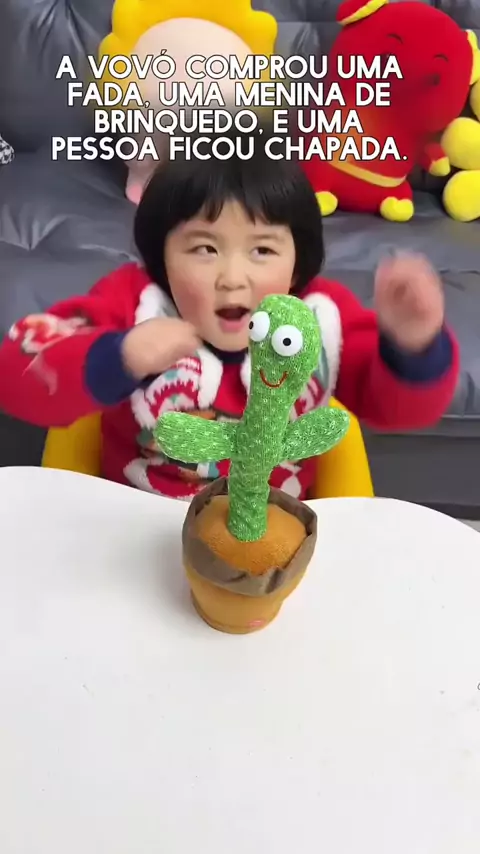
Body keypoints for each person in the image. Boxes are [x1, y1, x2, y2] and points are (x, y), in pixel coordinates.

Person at [0, 127, 458, 500]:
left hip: (272, 534)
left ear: (297, 263)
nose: (232, 278)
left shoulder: (320, 318)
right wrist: (117, 357)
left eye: (262, 250)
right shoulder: (132, 302)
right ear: (161, 256)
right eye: (204, 248)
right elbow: (17, 372)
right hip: (137, 517)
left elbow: (401, 409)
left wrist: (413, 344)